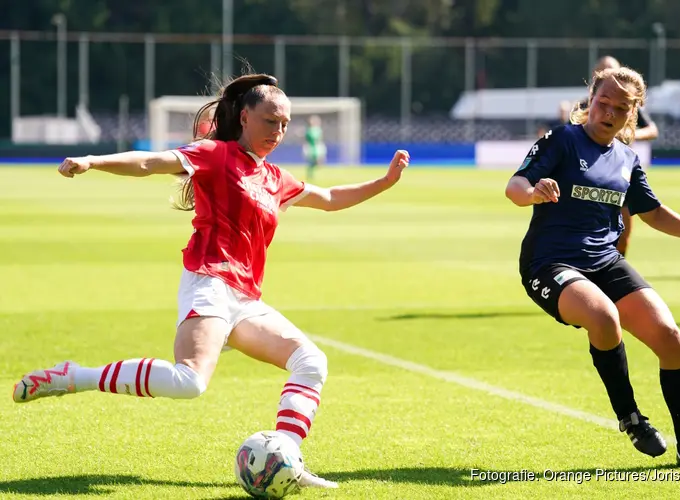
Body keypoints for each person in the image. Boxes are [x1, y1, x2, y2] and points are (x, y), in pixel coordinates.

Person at [12, 72, 411, 489]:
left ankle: (285, 459)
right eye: (270, 121)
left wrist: (384, 182)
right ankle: (72, 377)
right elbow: (150, 162)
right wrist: (94, 161)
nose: (278, 131)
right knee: (190, 383)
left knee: (311, 362)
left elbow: (329, 199)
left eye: (285, 124)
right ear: (243, 117)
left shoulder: (276, 178)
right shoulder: (214, 155)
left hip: (245, 298)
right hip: (208, 281)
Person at [507, 65, 680, 471]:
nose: (609, 112)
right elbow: (515, 187)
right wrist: (533, 194)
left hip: (604, 260)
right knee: (603, 316)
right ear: (591, 101)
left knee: (671, 338)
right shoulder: (563, 139)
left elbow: (652, 212)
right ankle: (630, 417)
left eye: (621, 107)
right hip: (549, 262)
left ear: (632, 114)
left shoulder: (627, 158)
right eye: (603, 102)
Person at [560, 55, 659, 257]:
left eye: (613, 70)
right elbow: (569, 136)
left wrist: (629, 134)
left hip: (620, 173)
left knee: (623, 233)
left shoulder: (629, 104)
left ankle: (615, 267)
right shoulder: (586, 104)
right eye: (604, 70)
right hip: (588, 173)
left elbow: (653, 130)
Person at [303, 115, 326, 180]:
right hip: (311, 148)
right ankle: (310, 175)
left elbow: (320, 139)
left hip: (318, 146)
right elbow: (308, 139)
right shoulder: (309, 131)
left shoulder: (318, 130)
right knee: (312, 161)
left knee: (319, 161)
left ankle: (316, 165)